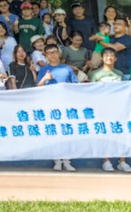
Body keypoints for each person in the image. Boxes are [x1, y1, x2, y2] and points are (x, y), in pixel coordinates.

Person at [36, 44, 77, 172]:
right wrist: (45, 79)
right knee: (54, 132)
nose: (53, 55)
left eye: (54, 52)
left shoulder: (67, 69)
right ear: (46, 55)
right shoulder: (44, 70)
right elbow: (38, 87)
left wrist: (65, 86)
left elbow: (76, 85)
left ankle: (67, 160)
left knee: (66, 132)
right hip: (50, 105)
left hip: (66, 104)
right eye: (49, 53)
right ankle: (57, 161)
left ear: (59, 53)